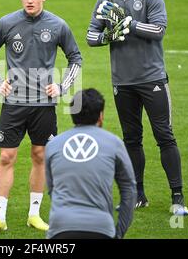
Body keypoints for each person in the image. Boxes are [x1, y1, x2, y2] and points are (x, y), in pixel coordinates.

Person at [86, 0, 188, 215]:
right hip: (123, 82)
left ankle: (177, 197)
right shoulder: (104, 0)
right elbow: (90, 36)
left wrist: (128, 23)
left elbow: (158, 30)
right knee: (131, 139)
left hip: (152, 79)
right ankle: (138, 195)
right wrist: (109, 36)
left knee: (164, 135)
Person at [0, 0, 82, 235]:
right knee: (6, 157)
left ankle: (34, 215)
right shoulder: (7, 23)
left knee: (40, 156)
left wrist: (61, 87)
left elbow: (75, 58)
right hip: (14, 103)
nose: (30, 0)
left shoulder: (58, 25)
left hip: (43, 105)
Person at [45, 88, 136, 239]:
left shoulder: (53, 145)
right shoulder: (114, 143)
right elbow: (129, 189)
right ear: (100, 116)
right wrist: (118, 233)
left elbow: (52, 189)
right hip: (101, 229)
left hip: (60, 228)